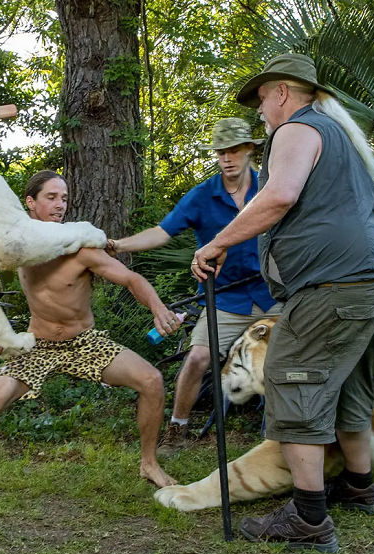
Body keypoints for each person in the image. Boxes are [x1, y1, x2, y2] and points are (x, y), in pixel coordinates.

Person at [192, 53, 374, 552]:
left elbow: (280, 196)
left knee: (290, 376)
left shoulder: (297, 129)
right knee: (348, 383)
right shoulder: (337, 134)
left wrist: (216, 243)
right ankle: (359, 485)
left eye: (261, 98)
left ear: (282, 92)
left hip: (333, 285)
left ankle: (309, 518)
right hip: (371, 280)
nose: (261, 111)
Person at [0, 170, 183, 494]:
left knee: (151, 380)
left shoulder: (78, 248)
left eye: (64, 198)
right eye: (51, 197)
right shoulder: (14, 245)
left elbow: (131, 279)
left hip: (84, 342)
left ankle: (149, 463)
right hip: (37, 344)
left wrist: (158, 308)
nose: (59, 205)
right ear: (30, 203)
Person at [108, 118, 281, 451]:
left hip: (271, 294)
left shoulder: (271, 188)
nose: (227, 158)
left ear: (249, 150)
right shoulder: (202, 196)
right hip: (225, 300)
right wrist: (118, 245)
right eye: (221, 152)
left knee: (289, 358)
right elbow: (161, 232)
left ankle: (282, 436)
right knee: (198, 358)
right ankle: (177, 429)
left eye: (234, 150)